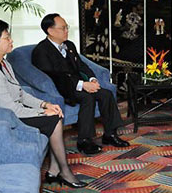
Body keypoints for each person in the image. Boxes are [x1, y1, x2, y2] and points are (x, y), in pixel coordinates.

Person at [0, 19, 87, 188]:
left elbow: (20, 94)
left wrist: (44, 105)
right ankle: (63, 170)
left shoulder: (3, 63)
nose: (11, 40)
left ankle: (55, 169)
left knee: (54, 113)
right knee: (53, 119)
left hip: (12, 112)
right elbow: (11, 109)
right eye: (6, 37)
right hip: (2, 120)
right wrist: (43, 113)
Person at [32, 13, 130, 156]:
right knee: (87, 97)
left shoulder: (69, 45)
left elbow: (82, 65)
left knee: (106, 94)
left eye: (67, 27)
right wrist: (81, 85)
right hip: (61, 89)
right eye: (63, 28)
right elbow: (55, 77)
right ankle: (84, 140)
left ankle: (110, 134)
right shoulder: (41, 51)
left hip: (80, 83)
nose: (67, 31)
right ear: (50, 31)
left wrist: (91, 79)